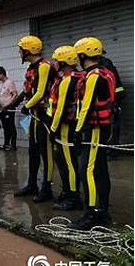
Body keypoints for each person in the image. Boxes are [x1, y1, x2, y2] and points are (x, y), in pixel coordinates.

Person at [67, 37, 117, 230]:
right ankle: (101, 211)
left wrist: (78, 131)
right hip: (98, 128)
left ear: (82, 55)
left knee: (88, 170)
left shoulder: (95, 75)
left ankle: (93, 213)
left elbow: (87, 106)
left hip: (94, 129)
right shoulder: (101, 72)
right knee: (100, 170)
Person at [9, 35, 56, 202]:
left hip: (44, 116)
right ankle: (31, 184)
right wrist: (11, 105)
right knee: (33, 151)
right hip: (34, 116)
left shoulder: (44, 66)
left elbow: (41, 92)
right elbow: (27, 91)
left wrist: (27, 106)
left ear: (28, 50)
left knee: (46, 152)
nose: (19, 52)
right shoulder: (31, 68)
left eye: (21, 49)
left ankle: (46, 187)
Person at [47, 46, 83, 211]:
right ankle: (67, 191)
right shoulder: (70, 78)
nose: (54, 63)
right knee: (63, 162)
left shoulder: (68, 80)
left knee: (69, 163)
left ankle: (73, 197)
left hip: (65, 128)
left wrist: (52, 129)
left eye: (56, 60)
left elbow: (61, 109)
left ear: (63, 62)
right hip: (66, 127)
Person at [98, 55, 125, 159]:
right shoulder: (105, 63)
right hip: (113, 100)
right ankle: (110, 151)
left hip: (113, 101)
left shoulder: (105, 64)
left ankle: (111, 152)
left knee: (112, 127)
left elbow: (109, 83)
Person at [0, 66, 18, 151]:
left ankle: (13, 145)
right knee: (5, 127)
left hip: (9, 109)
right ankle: (6, 144)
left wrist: (9, 105)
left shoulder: (9, 82)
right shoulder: (2, 84)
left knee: (11, 126)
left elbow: (15, 94)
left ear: (1, 74)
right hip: (2, 109)